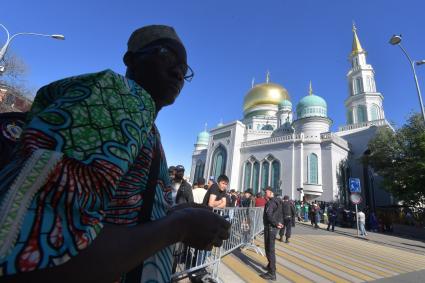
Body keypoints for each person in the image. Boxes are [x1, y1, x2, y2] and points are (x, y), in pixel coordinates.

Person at [0, 25, 230, 283]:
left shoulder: (147, 127)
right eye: (166, 55)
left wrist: (174, 214)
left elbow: (122, 215)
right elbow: (34, 254)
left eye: (184, 69)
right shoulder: (113, 97)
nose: (178, 71)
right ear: (130, 59)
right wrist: (181, 226)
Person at [260, 187, 282, 281]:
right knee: (271, 249)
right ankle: (270, 266)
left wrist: (276, 223)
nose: (265, 193)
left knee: (269, 250)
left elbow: (269, 215)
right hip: (273, 228)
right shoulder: (279, 201)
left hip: (270, 228)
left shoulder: (271, 202)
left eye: (266, 191)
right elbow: (281, 214)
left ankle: (272, 273)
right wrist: (279, 223)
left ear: (270, 192)